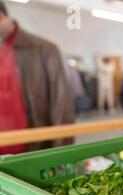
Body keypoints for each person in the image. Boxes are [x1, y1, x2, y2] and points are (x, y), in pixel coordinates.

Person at [0, 1, 74, 153]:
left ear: (2, 17)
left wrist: (60, 158)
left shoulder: (45, 51)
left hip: (31, 149)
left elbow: (62, 109)